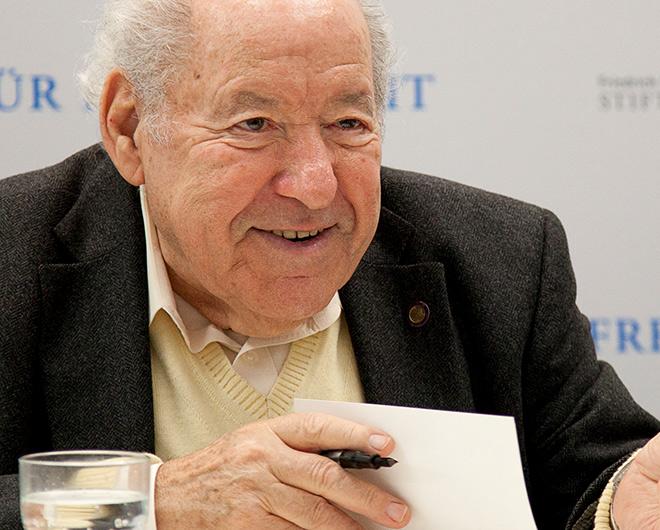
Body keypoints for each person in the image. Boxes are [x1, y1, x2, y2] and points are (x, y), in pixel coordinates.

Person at [0, 0, 658, 528]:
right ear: (128, 127)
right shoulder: (12, 255)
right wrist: (150, 500)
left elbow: (596, 480)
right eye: (255, 123)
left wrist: (624, 510)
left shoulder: (500, 261)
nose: (315, 187)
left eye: (348, 123)